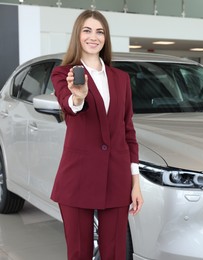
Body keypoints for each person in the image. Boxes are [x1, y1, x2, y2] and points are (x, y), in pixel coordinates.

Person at [50, 9, 143, 260]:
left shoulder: (121, 79)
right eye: (87, 30)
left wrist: (135, 183)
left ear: (106, 37)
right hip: (77, 177)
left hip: (116, 177)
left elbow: (128, 130)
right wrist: (78, 96)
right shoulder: (63, 73)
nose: (94, 37)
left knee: (115, 253)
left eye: (100, 31)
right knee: (79, 253)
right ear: (77, 35)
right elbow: (69, 105)